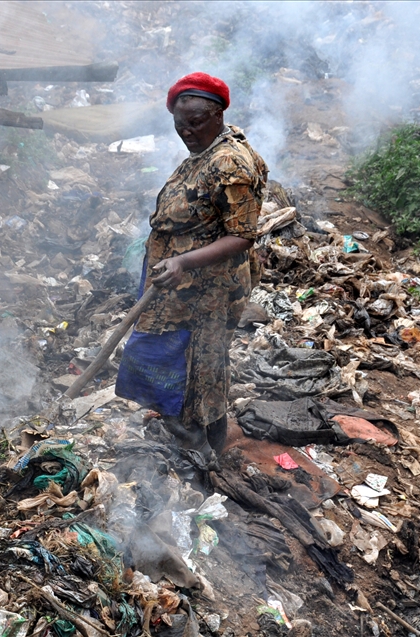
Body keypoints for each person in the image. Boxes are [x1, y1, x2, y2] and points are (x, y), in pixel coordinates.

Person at [115, 71, 268, 455]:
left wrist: (182, 261)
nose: (187, 132)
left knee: (183, 367)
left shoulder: (229, 163)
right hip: (182, 286)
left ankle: (195, 454)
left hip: (204, 291)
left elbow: (242, 235)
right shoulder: (208, 150)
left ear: (217, 115)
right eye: (180, 124)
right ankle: (207, 445)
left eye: (196, 122)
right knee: (202, 369)